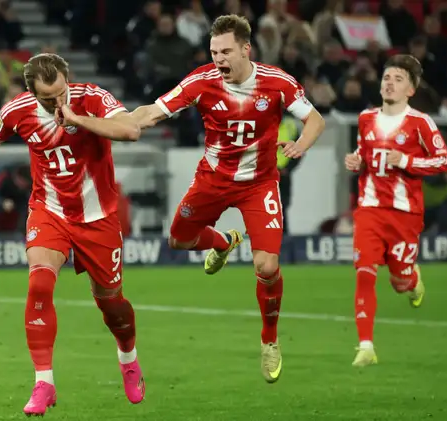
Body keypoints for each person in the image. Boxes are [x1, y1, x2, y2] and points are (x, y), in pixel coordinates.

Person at [0, 53, 144, 416]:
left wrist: (77, 118)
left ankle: (128, 358)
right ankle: (44, 383)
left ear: (68, 79)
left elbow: (131, 130)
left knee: (111, 303)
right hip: (49, 211)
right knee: (39, 284)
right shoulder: (18, 110)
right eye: (47, 99)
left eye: (61, 93)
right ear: (32, 93)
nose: (56, 102)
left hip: (98, 218)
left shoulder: (92, 97)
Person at [130, 14, 326, 383]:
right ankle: (223, 242)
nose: (218, 59)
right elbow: (152, 112)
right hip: (213, 180)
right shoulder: (201, 81)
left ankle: (269, 340)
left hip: (259, 184)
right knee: (179, 240)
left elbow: (315, 120)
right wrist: (121, 122)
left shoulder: (277, 82)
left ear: (246, 49)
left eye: (225, 52)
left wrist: (301, 145)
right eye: (214, 52)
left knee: (267, 266)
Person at [344, 54, 447, 367]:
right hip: (369, 209)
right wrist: (357, 160)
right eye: (387, 78)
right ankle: (366, 346)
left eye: (398, 79)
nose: (390, 83)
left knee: (399, 282)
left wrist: (406, 161)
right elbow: (364, 153)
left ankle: (412, 279)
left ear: (410, 90)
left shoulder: (420, 123)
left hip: (405, 214)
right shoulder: (366, 118)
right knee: (364, 272)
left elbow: (444, 161)